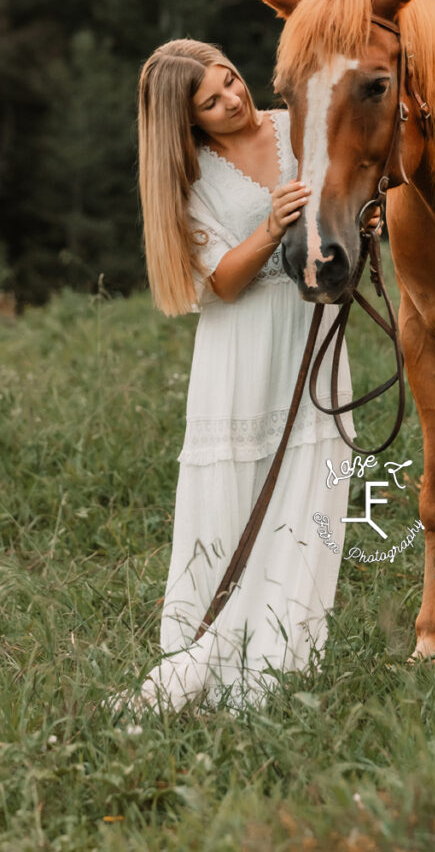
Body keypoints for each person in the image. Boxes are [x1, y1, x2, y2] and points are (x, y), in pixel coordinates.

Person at [133, 38, 373, 713]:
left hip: (311, 331)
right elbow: (223, 283)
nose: (232, 99)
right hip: (241, 349)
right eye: (210, 101)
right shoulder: (189, 179)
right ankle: (208, 652)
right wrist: (270, 228)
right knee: (240, 498)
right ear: (187, 122)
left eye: (230, 80)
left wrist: (363, 221)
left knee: (312, 496)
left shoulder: (297, 125)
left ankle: (283, 661)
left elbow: (343, 200)